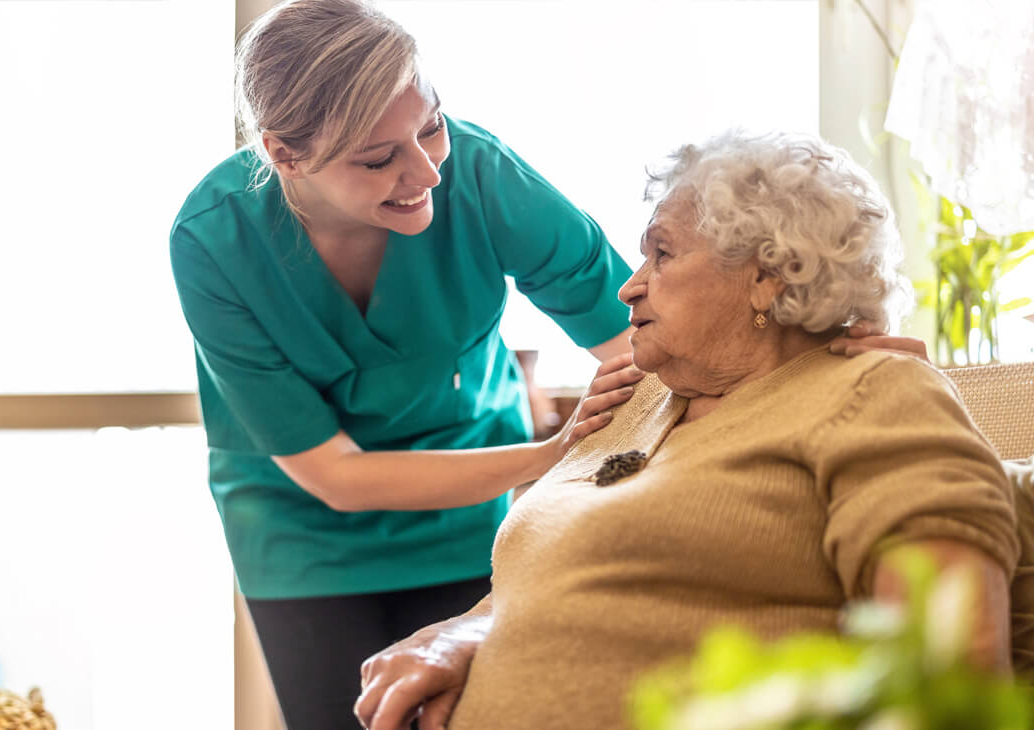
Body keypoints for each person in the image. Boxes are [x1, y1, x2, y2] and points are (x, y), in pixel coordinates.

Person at [171, 1, 922, 726]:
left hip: (474, 502)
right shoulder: (215, 240)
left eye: (431, 128)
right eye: (378, 159)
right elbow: (335, 475)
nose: (427, 173)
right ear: (284, 152)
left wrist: (823, 357)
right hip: (304, 536)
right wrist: (548, 455)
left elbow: (654, 335)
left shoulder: (482, 174)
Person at [355, 130, 1017, 730]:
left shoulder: (875, 393)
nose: (628, 289)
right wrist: (472, 632)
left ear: (766, 275)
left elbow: (950, 680)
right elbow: (562, 576)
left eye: (661, 255)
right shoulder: (635, 399)